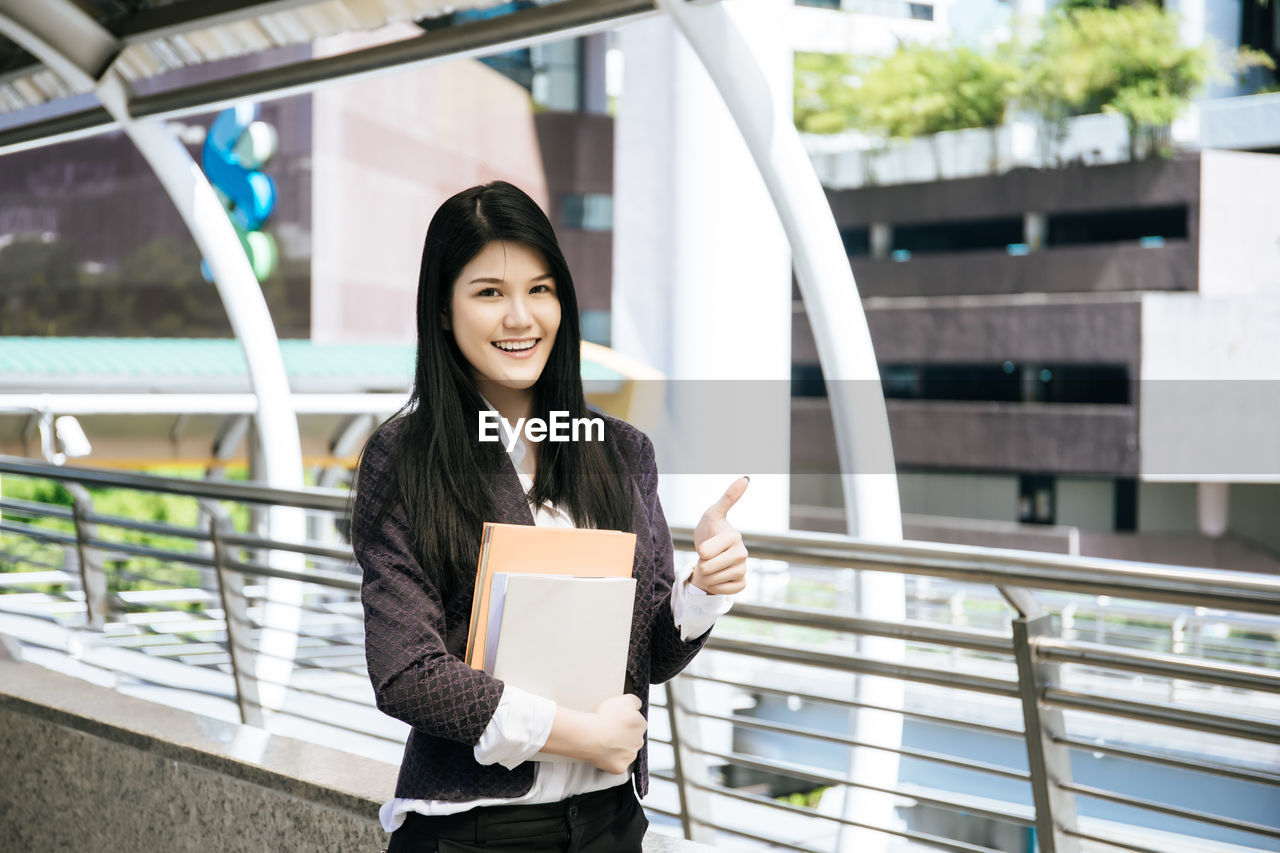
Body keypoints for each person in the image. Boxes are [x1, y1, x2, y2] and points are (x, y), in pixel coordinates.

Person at [351, 180, 750, 853]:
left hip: (608, 825)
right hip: (471, 832)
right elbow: (405, 672)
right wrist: (577, 733)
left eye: (540, 289)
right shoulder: (406, 458)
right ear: (444, 312)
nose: (520, 317)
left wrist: (705, 587)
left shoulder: (620, 452)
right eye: (488, 293)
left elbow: (645, 655)